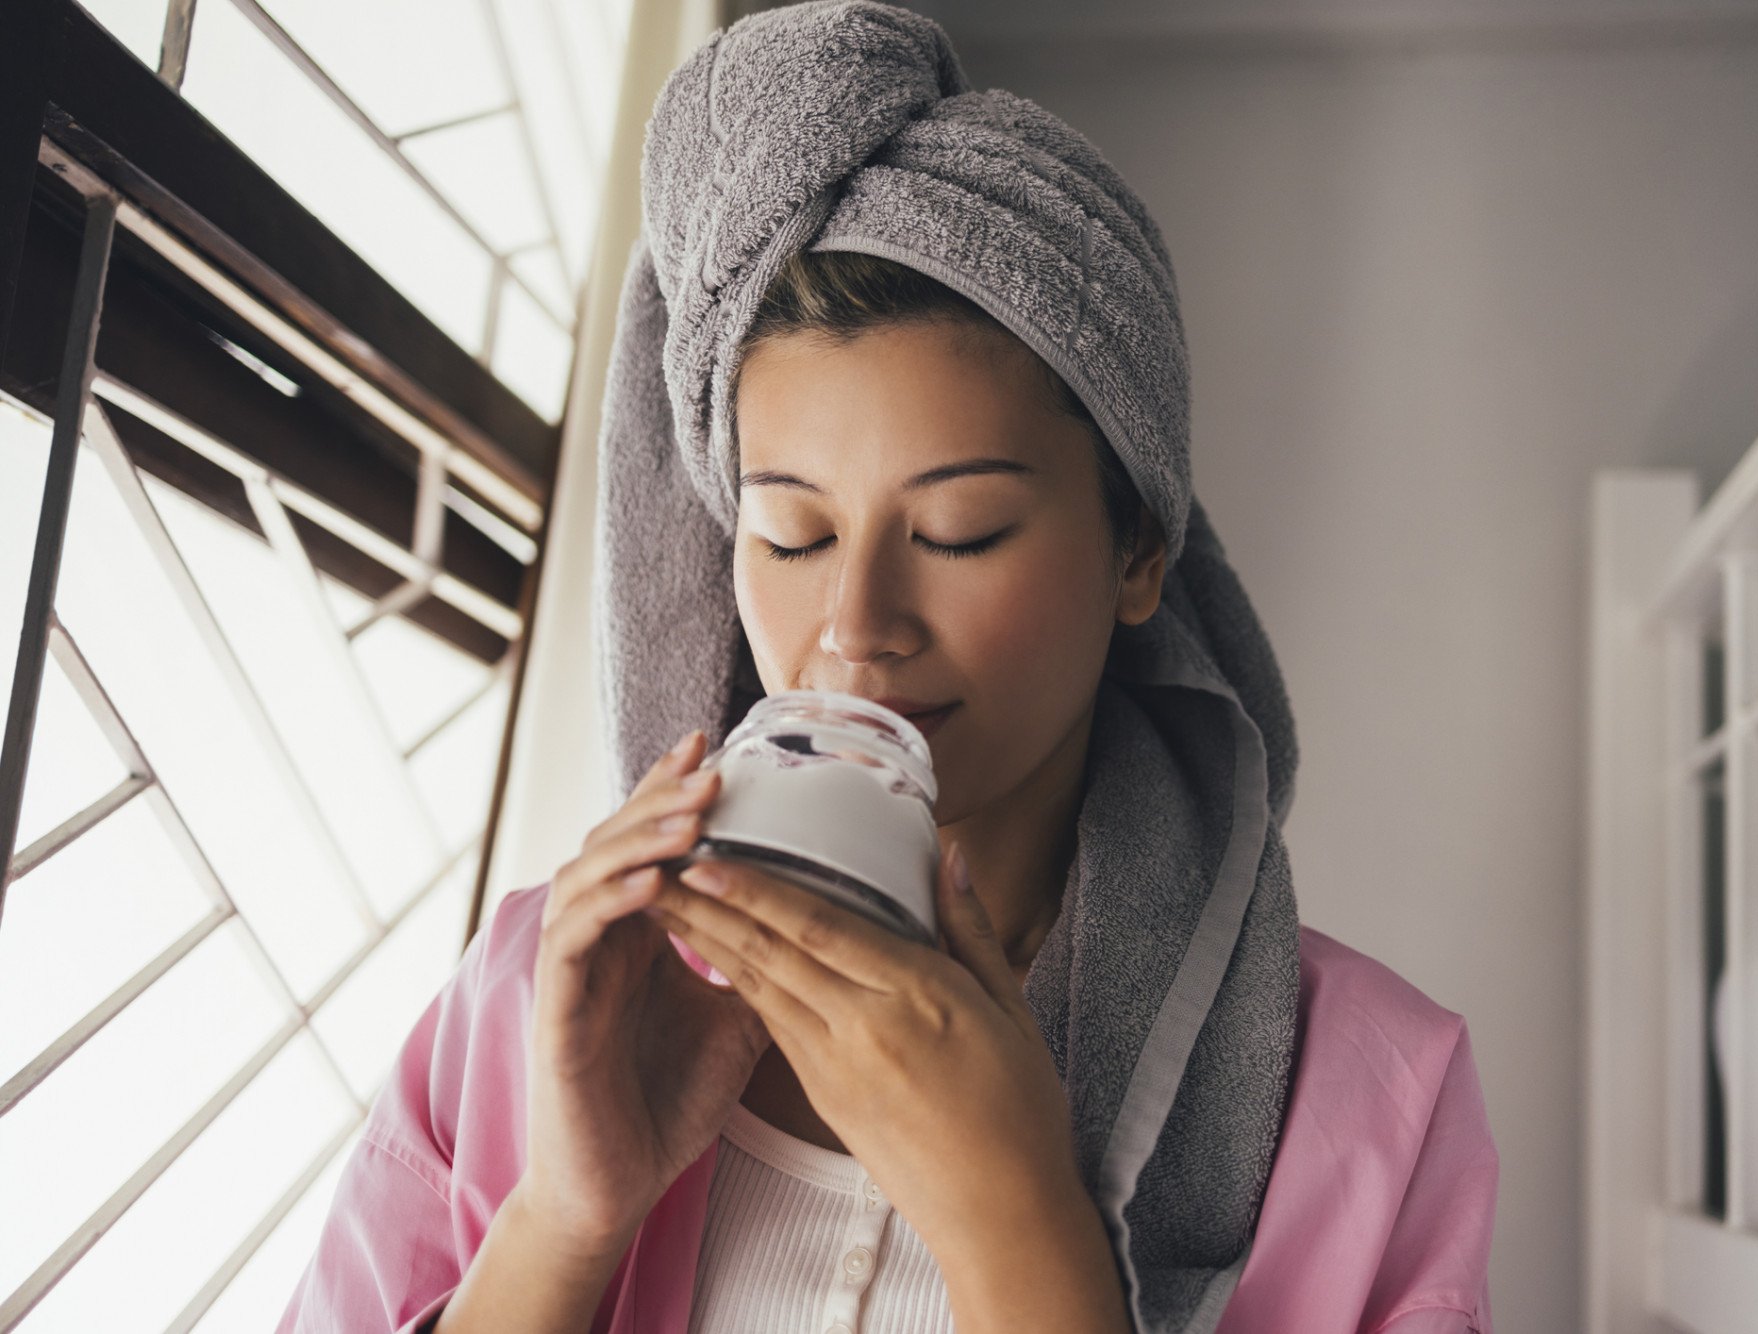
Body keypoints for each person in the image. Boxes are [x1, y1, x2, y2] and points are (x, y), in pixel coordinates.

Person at [278, 6, 1497, 1333]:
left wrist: (1014, 1222)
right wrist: (564, 1222)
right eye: (791, 532)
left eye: (961, 530)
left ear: (1139, 549)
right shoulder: (544, 993)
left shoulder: (1370, 1093)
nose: (856, 627)